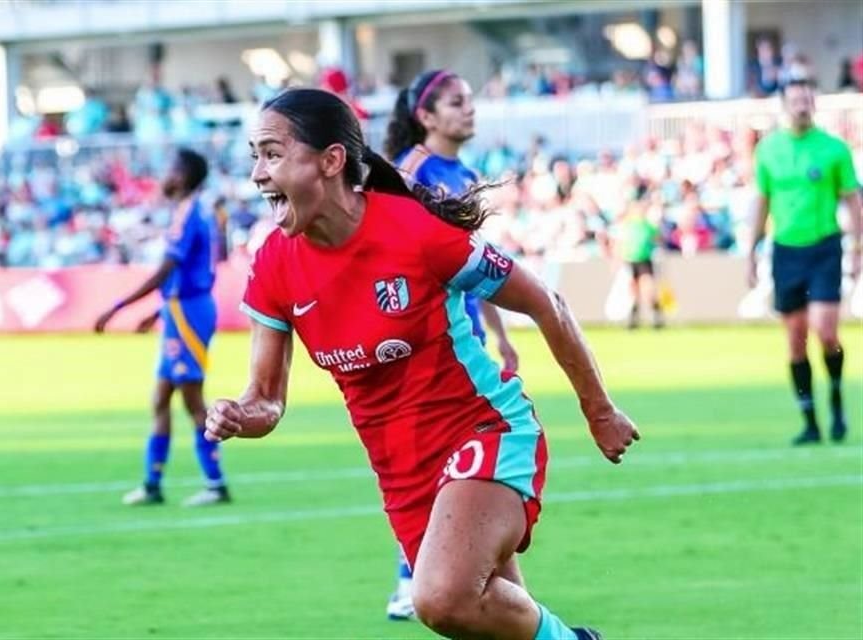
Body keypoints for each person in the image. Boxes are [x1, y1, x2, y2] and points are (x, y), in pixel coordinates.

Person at [205, 88, 638, 640]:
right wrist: (241, 414)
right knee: (492, 618)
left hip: (483, 429)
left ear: (331, 160)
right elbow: (266, 399)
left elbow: (545, 304)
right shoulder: (272, 265)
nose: (257, 175)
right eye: (254, 156)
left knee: (438, 598)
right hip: (402, 472)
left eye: (271, 154)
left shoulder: (415, 233)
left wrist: (598, 411)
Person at [382, 67, 520, 620]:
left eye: (470, 100)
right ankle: (414, 576)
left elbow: (475, 264)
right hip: (421, 336)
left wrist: (502, 334)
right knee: (424, 457)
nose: (469, 109)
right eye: (456, 102)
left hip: (463, 337)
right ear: (426, 116)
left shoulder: (463, 173)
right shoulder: (409, 172)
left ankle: (449, 575)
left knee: (461, 455)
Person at [95, 148, 232, 506]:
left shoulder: (188, 214)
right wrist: (158, 313)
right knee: (160, 399)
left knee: (191, 399)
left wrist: (117, 308)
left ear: (183, 177)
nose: (163, 176)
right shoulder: (191, 212)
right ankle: (153, 485)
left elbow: (165, 271)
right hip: (177, 310)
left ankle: (216, 484)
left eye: (170, 170)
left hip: (188, 312)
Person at [748, 79, 862, 445]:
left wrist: (858, 246)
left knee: (826, 332)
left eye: (806, 99)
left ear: (814, 104)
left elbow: (852, 201)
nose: (801, 105)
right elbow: (761, 202)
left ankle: (837, 401)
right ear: (784, 105)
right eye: (795, 100)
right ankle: (810, 422)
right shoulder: (768, 150)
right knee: (795, 340)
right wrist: (751, 249)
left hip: (825, 247)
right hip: (786, 251)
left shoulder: (833, 149)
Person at [610, 186, 665, 330]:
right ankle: (634, 320)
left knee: (648, 289)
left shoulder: (647, 225)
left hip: (644, 260)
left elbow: (658, 239)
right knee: (633, 291)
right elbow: (618, 245)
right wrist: (616, 261)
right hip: (630, 260)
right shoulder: (626, 225)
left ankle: (656, 316)